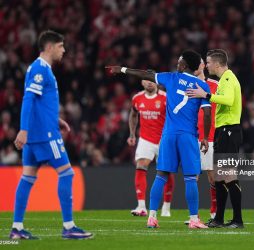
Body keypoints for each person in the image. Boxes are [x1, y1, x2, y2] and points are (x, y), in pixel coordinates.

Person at [106, 50, 212, 229]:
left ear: (184, 65)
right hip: (187, 136)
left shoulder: (170, 78)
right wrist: (205, 137)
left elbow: (145, 74)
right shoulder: (202, 86)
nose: (177, 62)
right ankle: (194, 219)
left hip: (168, 135)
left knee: (161, 175)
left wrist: (122, 69)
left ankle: (152, 217)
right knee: (190, 178)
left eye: (179, 60)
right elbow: (207, 113)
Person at [10, 30, 92, 240]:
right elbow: (28, 99)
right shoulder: (40, 69)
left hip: (40, 131)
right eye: (61, 46)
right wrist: (23, 130)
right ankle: (69, 227)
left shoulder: (42, 69)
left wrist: (55, 119)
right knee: (67, 174)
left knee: (28, 177)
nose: (64, 50)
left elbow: (38, 102)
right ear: (50, 47)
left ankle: (17, 228)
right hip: (44, 135)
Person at [186, 49, 244, 228]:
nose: (207, 65)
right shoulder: (224, 79)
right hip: (222, 130)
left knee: (229, 176)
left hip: (229, 130)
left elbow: (228, 99)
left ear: (217, 64)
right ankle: (219, 218)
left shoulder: (228, 78)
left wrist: (206, 95)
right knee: (219, 177)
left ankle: (237, 220)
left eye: (209, 62)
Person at [128, 79, 175, 217]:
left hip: (164, 139)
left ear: (157, 82)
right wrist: (132, 134)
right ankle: (141, 206)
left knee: (166, 170)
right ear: (142, 83)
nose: (149, 83)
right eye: (146, 80)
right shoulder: (137, 98)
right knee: (141, 165)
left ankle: (166, 207)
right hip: (146, 139)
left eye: (152, 80)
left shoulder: (165, 97)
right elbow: (133, 114)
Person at [195, 60, 218, 219]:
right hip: (192, 136)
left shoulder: (216, 85)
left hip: (211, 136)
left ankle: (214, 211)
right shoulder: (187, 85)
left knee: (212, 176)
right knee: (192, 176)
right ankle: (193, 215)